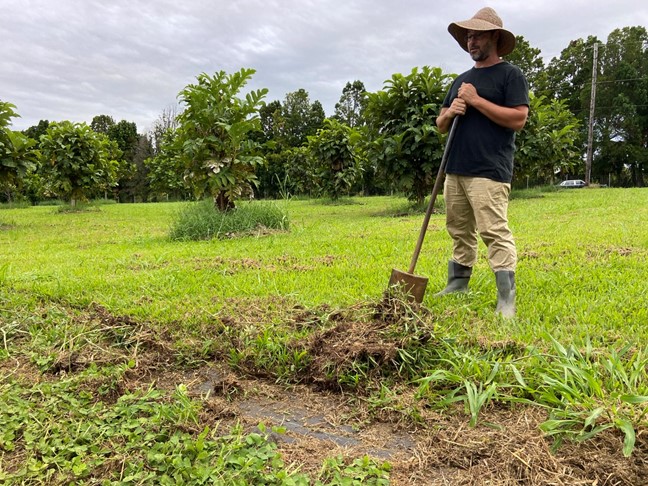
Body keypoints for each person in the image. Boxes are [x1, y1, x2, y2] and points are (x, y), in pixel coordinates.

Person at [435, 7, 529, 318]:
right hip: (456, 168)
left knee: (493, 231)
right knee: (458, 229)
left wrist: (476, 101)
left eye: (476, 35)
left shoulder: (511, 75)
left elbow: (518, 118)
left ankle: (506, 299)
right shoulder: (461, 81)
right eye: (468, 36)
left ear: (493, 38)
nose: (470, 41)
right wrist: (452, 110)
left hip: (489, 171)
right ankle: (458, 284)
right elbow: (440, 123)